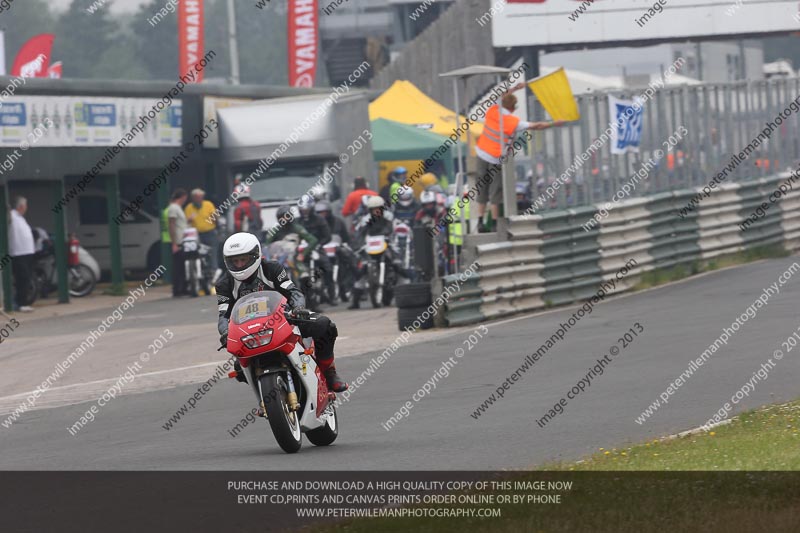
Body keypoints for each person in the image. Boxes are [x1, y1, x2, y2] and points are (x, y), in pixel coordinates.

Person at [216, 232, 348, 392]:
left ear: (255, 255)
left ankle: (329, 372)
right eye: (234, 261)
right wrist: (225, 332)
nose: (239, 265)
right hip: (249, 331)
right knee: (238, 368)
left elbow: (293, 291)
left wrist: (298, 308)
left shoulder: (272, 268)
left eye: (243, 259)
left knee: (324, 325)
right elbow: (224, 314)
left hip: (284, 319)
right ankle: (264, 397)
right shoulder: (224, 284)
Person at [475, 85, 566, 232]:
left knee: (481, 189)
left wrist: (514, 89)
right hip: (494, 158)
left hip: (481, 153)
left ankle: (479, 221)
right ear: (512, 107)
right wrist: (554, 123)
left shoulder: (493, 110)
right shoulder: (514, 121)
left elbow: (500, 96)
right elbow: (537, 126)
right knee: (495, 192)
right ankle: (494, 224)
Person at [349, 196, 395, 309]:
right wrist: (359, 246)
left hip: (385, 246)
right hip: (370, 249)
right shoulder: (365, 220)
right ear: (369, 210)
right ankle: (355, 301)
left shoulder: (389, 218)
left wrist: (390, 238)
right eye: (373, 209)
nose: (376, 211)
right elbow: (359, 235)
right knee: (362, 270)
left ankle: (399, 291)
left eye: (378, 209)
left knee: (396, 265)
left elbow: (392, 230)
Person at [297, 195, 336, 303]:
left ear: (311, 208)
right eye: (302, 210)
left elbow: (327, 236)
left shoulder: (320, 220)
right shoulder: (297, 222)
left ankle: (331, 295)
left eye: (307, 209)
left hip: (317, 248)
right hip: (302, 251)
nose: (305, 212)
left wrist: (319, 244)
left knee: (327, 267)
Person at [184, 188, 219, 281]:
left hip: (210, 233)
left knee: (212, 253)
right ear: (193, 198)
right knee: (196, 253)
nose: (198, 199)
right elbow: (185, 222)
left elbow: (216, 217)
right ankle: (196, 273)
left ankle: (214, 273)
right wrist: (189, 220)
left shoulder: (208, 204)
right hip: (196, 235)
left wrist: (216, 218)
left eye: (200, 197)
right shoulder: (189, 207)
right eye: (196, 198)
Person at [8, 197, 35, 312]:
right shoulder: (12, 216)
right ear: (21, 206)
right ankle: (21, 303)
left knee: (26, 277)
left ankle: (21, 302)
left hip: (26, 252)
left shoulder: (20, 218)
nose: (26, 208)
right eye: (26, 206)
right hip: (18, 253)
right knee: (22, 278)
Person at [167, 188, 189, 297]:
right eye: (185, 198)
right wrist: (174, 243)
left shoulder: (177, 208)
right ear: (182, 197)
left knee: (183, 265)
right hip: (178, 241)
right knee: (178, 267)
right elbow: (171, 225)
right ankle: (177, 290)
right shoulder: (173, 208)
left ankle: (183, 288)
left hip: (183, 240)